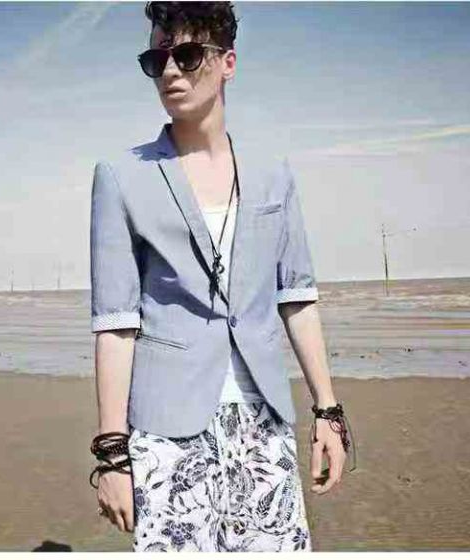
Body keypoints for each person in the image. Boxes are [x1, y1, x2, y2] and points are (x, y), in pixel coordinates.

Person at [88, 1, 356, 552]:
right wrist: (112, 454)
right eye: (156, 59)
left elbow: (297, 298)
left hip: (264, 419)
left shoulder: (273, 174)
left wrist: (328, 412)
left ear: (227, 62)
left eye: (187, 56)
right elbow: (116, 324)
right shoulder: (121, 177)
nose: (169, 71)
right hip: (166, 427)